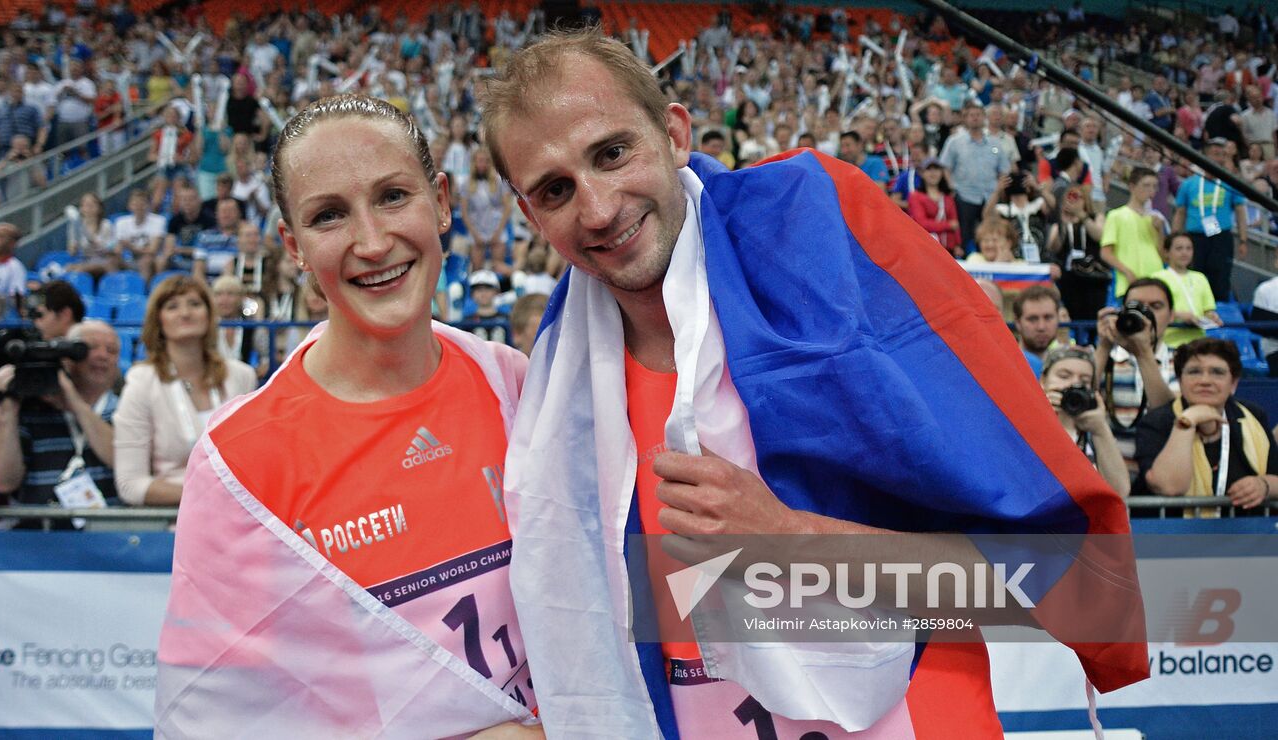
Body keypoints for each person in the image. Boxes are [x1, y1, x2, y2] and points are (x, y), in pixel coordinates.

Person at [483, 29, 1144, 739]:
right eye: (555, 190)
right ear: (528, 214)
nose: (598, 208)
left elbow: (1027, 586)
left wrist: (789, 537)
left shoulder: (822, 261)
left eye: (613, 153)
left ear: (674, 133)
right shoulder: (551, 391)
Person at [154, 95, 540, 737]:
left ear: (441, 201)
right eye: (329, 215)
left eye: (393, 197)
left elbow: (631, 600)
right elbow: (213, 719)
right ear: (293, 245)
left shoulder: (512, 382)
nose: (372, 240)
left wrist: (772, 581)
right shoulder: (239, 464)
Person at [113, 275, 255, 507]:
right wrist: (210, 498)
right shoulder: (142, 382)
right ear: (158, 321)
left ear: (209, 314)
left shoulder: (241, 376)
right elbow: (130, 485)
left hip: (243, 519)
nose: (185, 313)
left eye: (194, 304)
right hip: (176, 522)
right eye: (172, 307)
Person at [0, 321, 122, 513]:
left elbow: (120, 460)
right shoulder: (32, 411)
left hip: (109, 535)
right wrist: (9, 411)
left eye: (112, 350)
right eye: (89, 348)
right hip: (40, 535)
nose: (102, 356)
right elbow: (2, 482)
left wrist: (74, 401)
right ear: (67, 357)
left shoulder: (125, 409)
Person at [1134, 338, 1277, 516]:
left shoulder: (1252, 416)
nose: (1205, 380)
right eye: (1194, 372)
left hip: (1243, 537)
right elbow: (1170, 487)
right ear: (1180, 380)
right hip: (1173, 537)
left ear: (1233, 384)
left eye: (1217, 372)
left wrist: (1263, 485)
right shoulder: (1156, 422)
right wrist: (1187, 422)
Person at [1096, 277, 1178, 458]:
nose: (1146, 315)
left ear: (1171, 315)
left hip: (1163, 472)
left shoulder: (1185, 360)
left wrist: (1143, 354)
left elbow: (1172, 415)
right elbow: (1083, 398)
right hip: (1111, 473)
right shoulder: (1104, 358)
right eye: (1137, 307)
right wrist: (1103, 347)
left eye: (1155, 307)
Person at [1040, 345, 1129, 496]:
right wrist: (1042, 418)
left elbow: (1120, 491)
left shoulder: (1095, 431)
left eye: (1084, 380)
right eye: (1064, 376)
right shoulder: (1024, 424)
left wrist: (1100, 430)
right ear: (1042, 381)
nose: (1074, 384)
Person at [1173, 140, 1248, 302]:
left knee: (1220, 277)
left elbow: (1241, 211)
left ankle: (1220, 314)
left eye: (1222, 155)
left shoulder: (1230, 182)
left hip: (1220, 238)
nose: (1218, 158)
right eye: (1215, 154)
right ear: (1204, 156)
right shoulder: (1189, 184)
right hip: (1194, 239)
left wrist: (1243, 239)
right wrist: (1174, 238)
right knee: (1193, 275)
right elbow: (1180, 212)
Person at [941, 101, 1013, 251]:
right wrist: (952, 188)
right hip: (964, 196)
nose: (975, 118)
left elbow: (1004, 169)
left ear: (984, 118)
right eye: (971, 115)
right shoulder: (955, 141)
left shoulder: (995, 144)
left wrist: (999, 190)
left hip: (990, 197)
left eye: (978, 115)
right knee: (965, 237)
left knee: (990, 235)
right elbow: (945, 167)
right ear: (965, 118)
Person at [1048, 182, 1110, 324]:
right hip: (1070, 280)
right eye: (1070, 197)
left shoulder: (1096, 217)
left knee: (1094, 319)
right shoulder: (1060, 224)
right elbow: (1053, 247)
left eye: (1077, 197)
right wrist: (1063, 223)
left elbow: (1099, 236)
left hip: (1094, 279)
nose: (1073, 201)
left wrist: (1082, 216)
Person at [1101, 167, 1165, 299]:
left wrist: (1160, 231)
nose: (1151, 190)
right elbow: (1106, 252)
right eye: (1146, 185)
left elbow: (1163, 254)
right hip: (1129, 281)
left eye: (1154, 186)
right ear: (1132, 186)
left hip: (1156, 277)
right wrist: (1126, 271)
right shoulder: (1116, 215)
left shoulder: (1155, 219)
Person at [1151, 232, 1221, 348]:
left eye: (1189, 248)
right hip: (1168, 343)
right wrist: (1178, 315)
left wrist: (1212, 316)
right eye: (1179, 248)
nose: (1185, 253)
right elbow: (1152, 311)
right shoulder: (1157, 278)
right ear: (1167, 252)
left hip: (1198, 343)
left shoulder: (1200, 278)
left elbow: (1207, 310)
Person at [460, 146, 514, 275]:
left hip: (497, 228)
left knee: (498, 267)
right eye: (479, 160)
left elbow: (507, 208)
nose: (482, 164)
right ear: (474, 162)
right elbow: (464, 213)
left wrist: (498, 231)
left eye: (485, 160)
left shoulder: (499, 182)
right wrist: (474, 234)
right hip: (476, 230)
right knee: (477, 269)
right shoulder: (466, 184)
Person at [113, 188, 168, 281]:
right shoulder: (121, 222)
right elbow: (118, 250)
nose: (139, 207)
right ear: (129, 206)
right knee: (112, 261)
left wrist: (131, 247)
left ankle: (144, 290)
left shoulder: (159, 221)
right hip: (130, 259)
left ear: (148, 205)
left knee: (146, 260)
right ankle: (116, 289)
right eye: (135, 204)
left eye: (142, 203)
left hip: (152, 260)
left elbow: (153, 250)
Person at [1014, 284, 1066, 375]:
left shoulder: (1068, 362)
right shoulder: (1005, 363)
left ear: (1058, 318)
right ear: (1018, 322)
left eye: (1048, 317)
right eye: (1032, 319)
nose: (1041, 327)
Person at [66, 192, 118, 277]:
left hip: (104, 261)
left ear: (99, 208)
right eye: (85, 205)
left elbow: (112, 250)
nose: (88, 208)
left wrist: (96, 244)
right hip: (85, 260)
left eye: (91, 205)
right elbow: (72, 252)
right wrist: (73, 247)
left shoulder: (106, 225)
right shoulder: (75, 226)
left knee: (81, 269)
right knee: (69, 268)